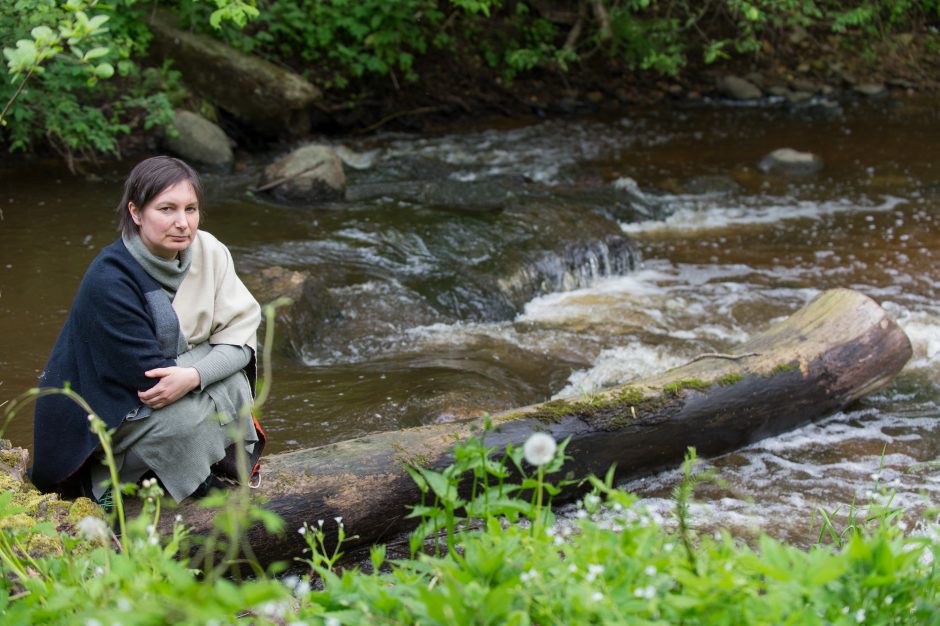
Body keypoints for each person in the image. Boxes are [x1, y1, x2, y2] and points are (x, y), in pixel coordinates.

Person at [31, 156, 265, 503]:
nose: (182, 223)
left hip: (168, 388)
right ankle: (109, 481)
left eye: (191, 209)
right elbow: (155, 381)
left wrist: (195, 374)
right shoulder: (110, 280)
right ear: (136, 213)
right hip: (112, 414)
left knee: (234, 383)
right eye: (167, 209)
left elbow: (243, 338)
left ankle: (178, 471)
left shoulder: (209, 250)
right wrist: (209, 358)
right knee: (185, 419)